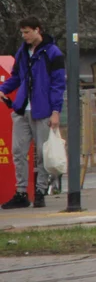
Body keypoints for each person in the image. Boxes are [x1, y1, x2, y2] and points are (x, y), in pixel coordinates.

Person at [0, 17, 65, 209]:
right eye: (22, 32)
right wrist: (4, 88)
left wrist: (55, 111)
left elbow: (58, 84)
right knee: (18, 151)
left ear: (38, 30)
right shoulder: (23, 52)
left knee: (42, 153)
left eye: (27, 32)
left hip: (42, 109)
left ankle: (40, 190)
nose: (24, 36)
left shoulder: (52, 53)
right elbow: (17, 76)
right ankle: (21, 192)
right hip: (22, 108)